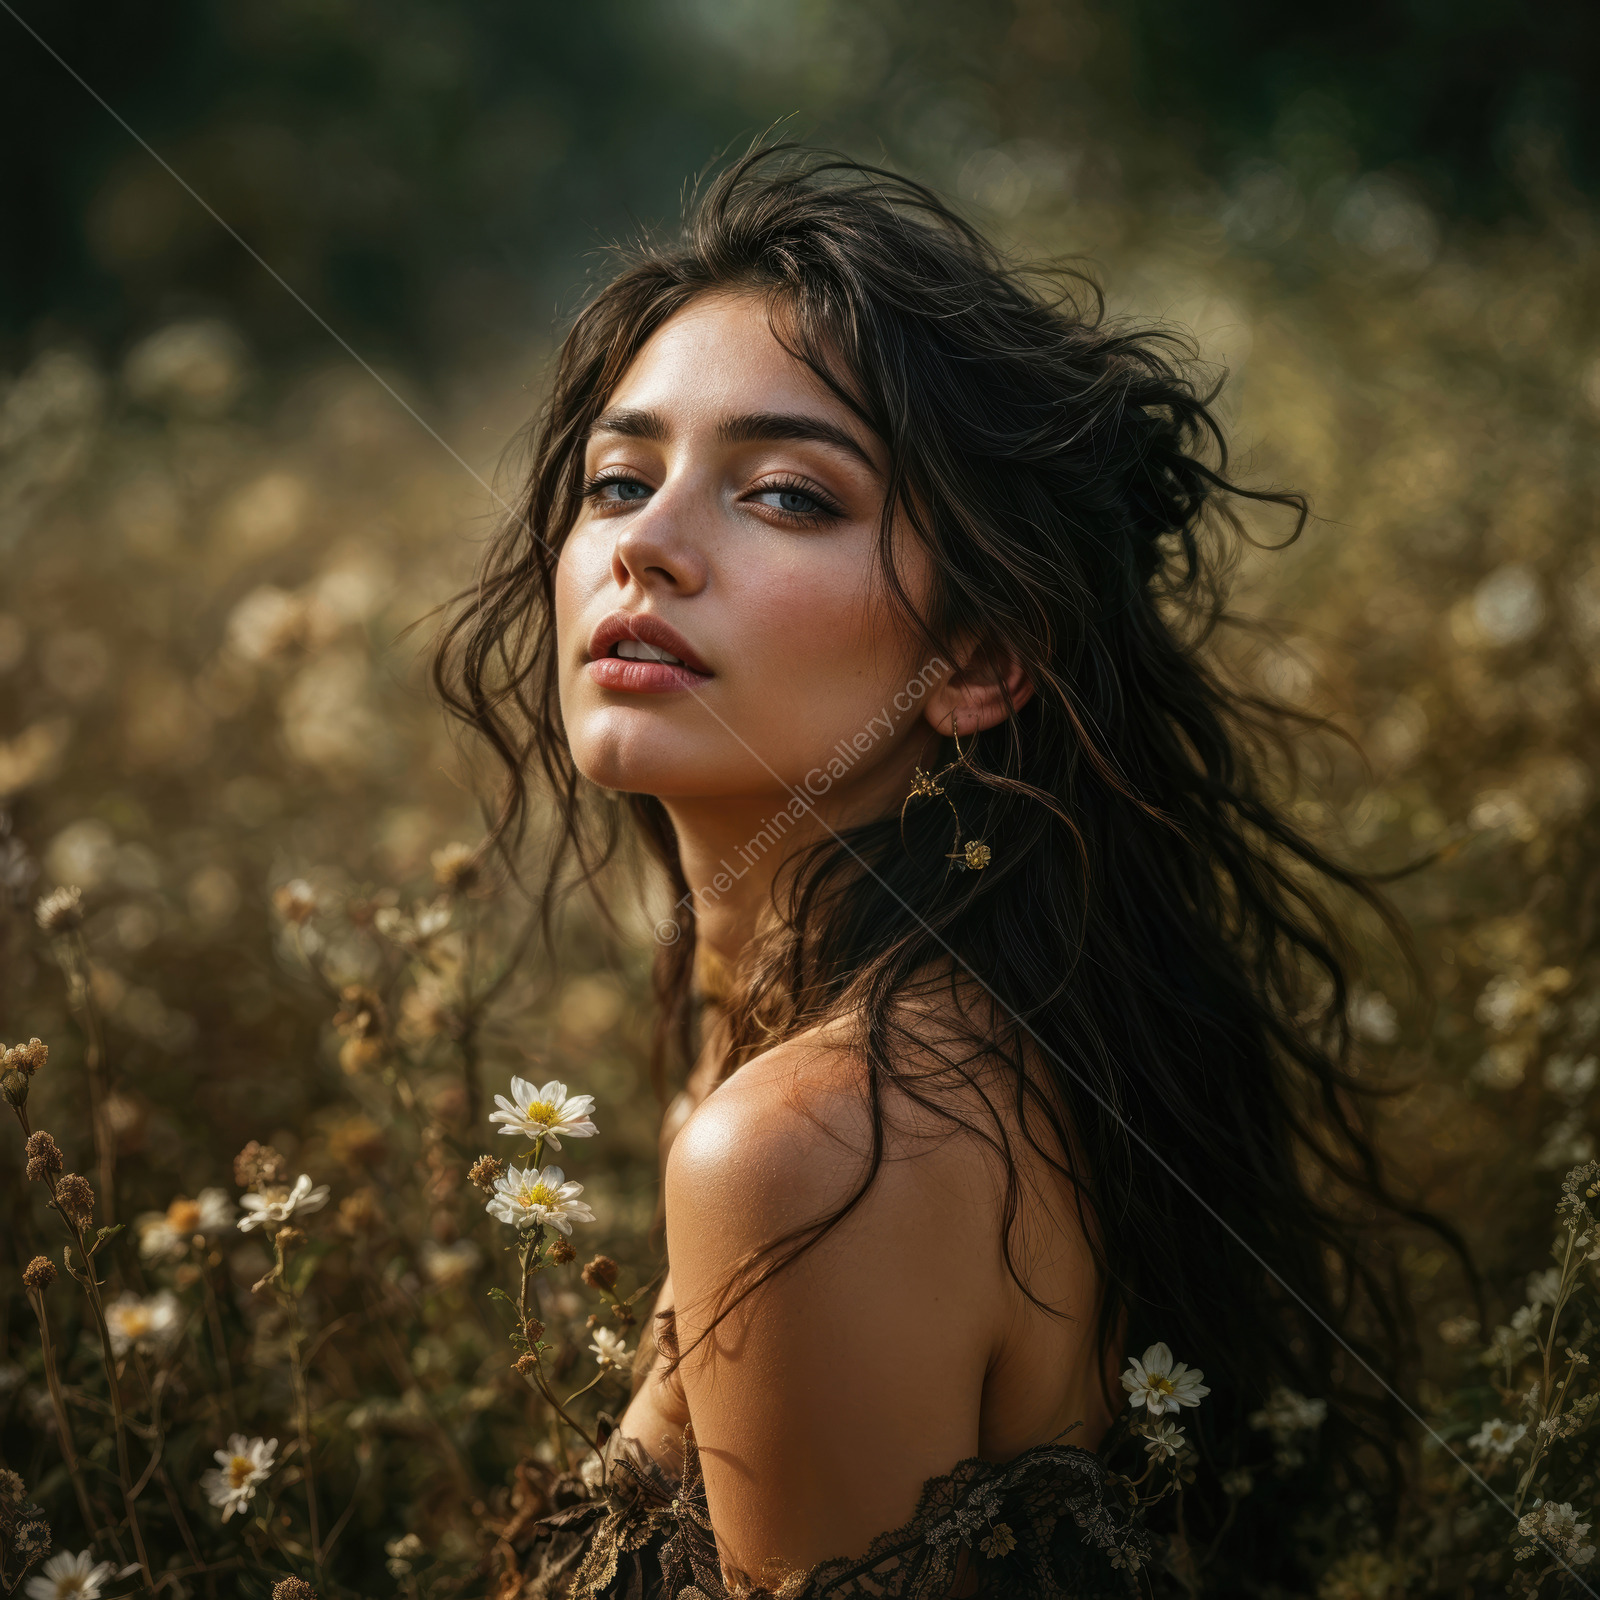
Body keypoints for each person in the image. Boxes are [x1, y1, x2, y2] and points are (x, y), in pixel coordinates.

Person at [436, 146, 1431, 1597]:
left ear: (976, 661)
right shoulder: (869, 1034)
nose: (645, 545)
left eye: (786, 495)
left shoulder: (819, 1142)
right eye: (618, 479)